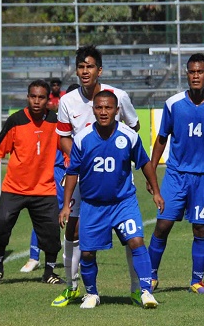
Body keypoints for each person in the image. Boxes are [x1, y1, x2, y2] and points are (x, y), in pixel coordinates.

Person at [51, 45, 141, 307]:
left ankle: (136, 288)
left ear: (99, 70)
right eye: (81, 67)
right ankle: (72, 287)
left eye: (90, 66)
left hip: (117, 177)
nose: (85, 71)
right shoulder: (67, 101)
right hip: (82, 178)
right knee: (73, 230)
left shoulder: (118, 96)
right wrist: (83, 163)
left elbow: (134, 129)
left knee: (129, 234)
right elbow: (63, 140)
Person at [58, 90, 163, 309]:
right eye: (99, 107)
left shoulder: (129, 136)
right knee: (87, 252)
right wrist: (67, 205)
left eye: (108, 108)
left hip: (123, 203)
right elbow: (72, 173)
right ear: (93, 110)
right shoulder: (82, 139)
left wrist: (155, 191)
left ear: (117, 110)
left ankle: (145, 291)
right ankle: (92, 294)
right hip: (92, 205)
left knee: (136, 241)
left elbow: (144, 163)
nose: (103, 112)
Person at [146, 54, 204, 295]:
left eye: (200, 72)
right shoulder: (173, 104)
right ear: (187, 74)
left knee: (201, 229)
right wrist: (151, 170)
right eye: (192, 72)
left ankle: (197, 281)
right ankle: (150, 277)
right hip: (176, 175)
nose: (195, 76)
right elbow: (162, 138)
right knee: (163, 225)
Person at [0, 80, 64, 286]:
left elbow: (68, 148)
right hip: (14, 189)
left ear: (48, 100)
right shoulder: (16, 120)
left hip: (44, 189)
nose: (37, 101)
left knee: (52, 233)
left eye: (41, 97)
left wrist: (70, 172)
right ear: (28, 97)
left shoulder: (56, 121)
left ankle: (49, 272)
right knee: (1, 226)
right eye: (33, 97)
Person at [21, 83, 80, 274]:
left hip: (71, 171)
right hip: (56, 172)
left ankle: (74, 256)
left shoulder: (83, 120)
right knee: (46, 213)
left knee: (75, 214)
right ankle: (34, 256)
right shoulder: (55, 120)